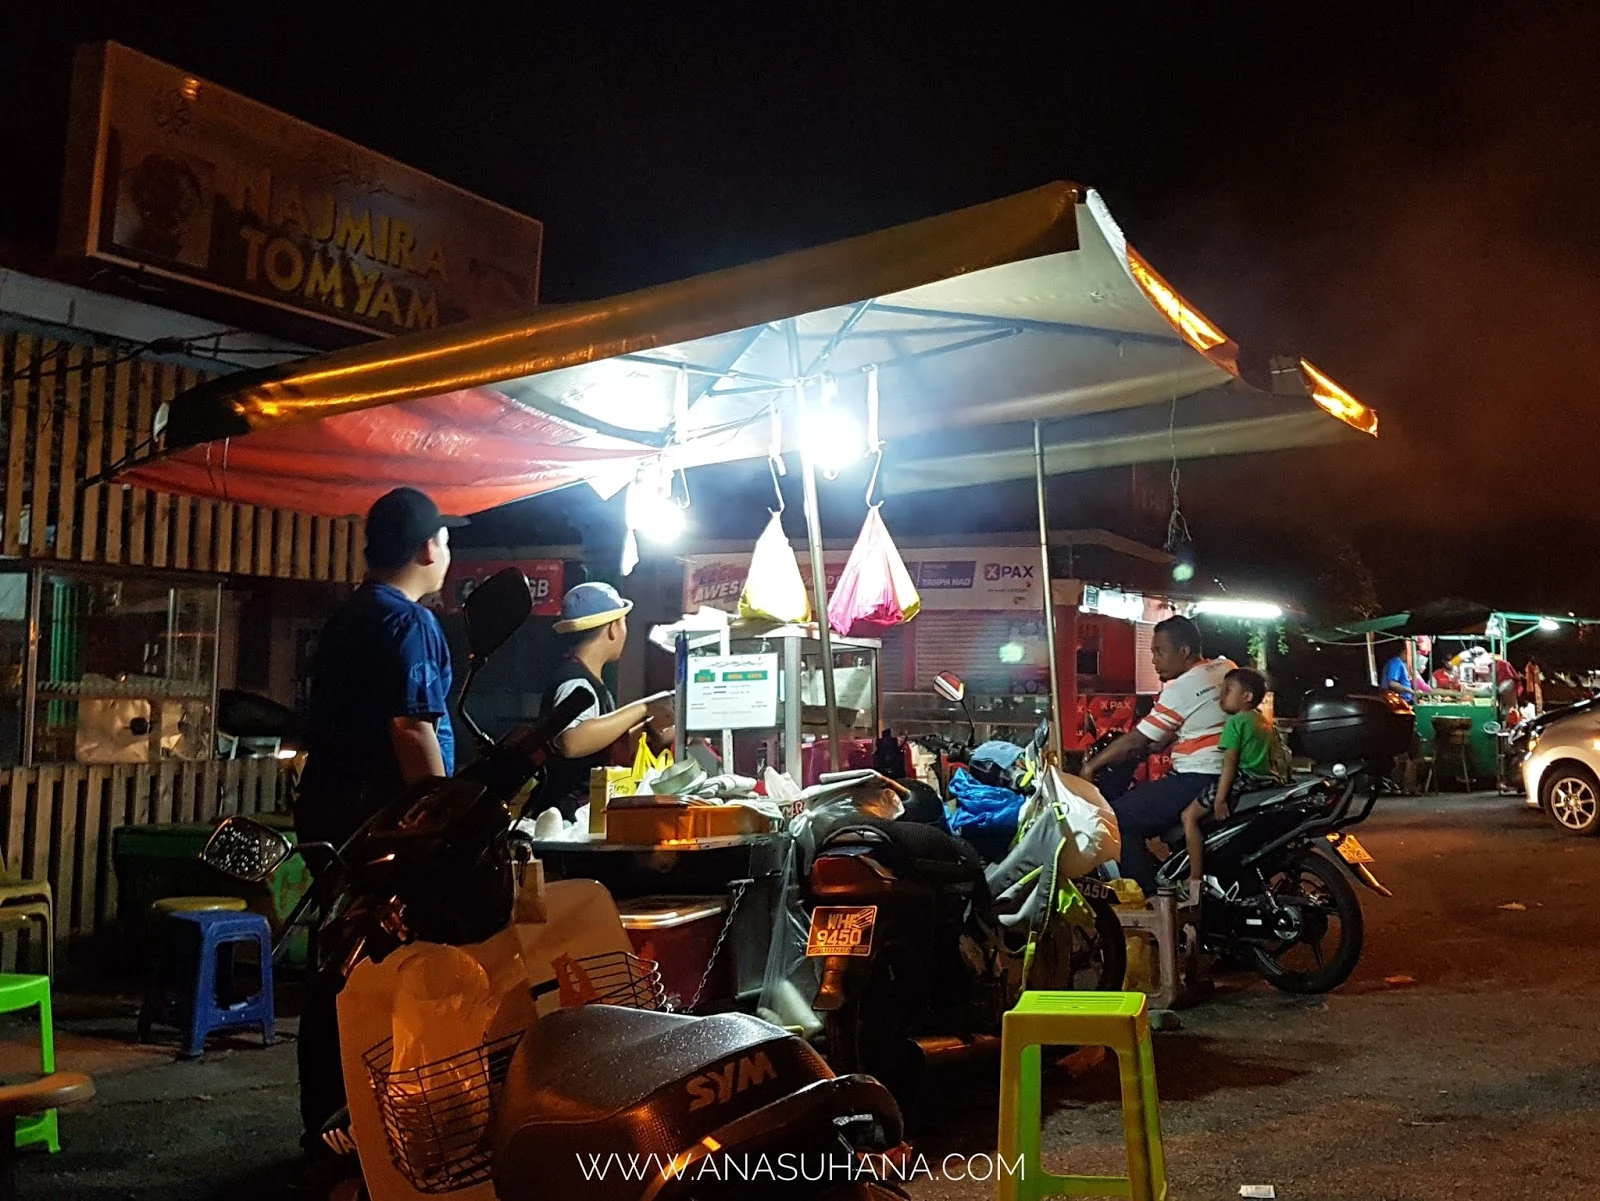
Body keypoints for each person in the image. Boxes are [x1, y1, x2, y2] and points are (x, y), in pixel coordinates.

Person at [293, 486, 465, 1157]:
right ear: (427, 546)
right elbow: (411, 727)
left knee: (341, 964)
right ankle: (380, 1130)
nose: (448, 551)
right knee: (390, 970)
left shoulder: (348, 617)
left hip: (333, 816)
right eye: (446, 538)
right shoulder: (409, 623)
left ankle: (328, 1121)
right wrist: (448, 820)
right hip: (389, 827)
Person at [1079, 615, 1235, 892]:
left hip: (1198, 776)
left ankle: (1152, 902)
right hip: (1228, 773)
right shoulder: (1225, 668)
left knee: (1114, 820)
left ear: (1184, 652)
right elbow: (1181, 725)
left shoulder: (1182, 688)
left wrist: (1091, 767)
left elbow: (1137, 738)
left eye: (1159, 652)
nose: (1154, 660)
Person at [540, 581, 672, 818]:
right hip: (567, 816)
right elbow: (571, 741)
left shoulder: (589, 681)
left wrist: (658, 730)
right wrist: (644, 706)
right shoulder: (574, 681)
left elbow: (604, 743)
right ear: (613, 627)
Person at [1179, 667, 1281, 903]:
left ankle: (1194, 879)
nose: (1221, 696)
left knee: (1189, 817)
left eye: (1228, 690)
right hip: (1263, 782)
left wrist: (1220, 799)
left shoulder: (1236, 723)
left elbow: (1230, 765)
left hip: (1241, 780)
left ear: (1246, 696)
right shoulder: (1264, 723)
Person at [1382, 636, 1431, 703]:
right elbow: (1392, 684)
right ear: (1406, 652)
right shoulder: (1396, 662)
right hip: (1400, 701)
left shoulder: (1402, 663)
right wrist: (1411, 691)